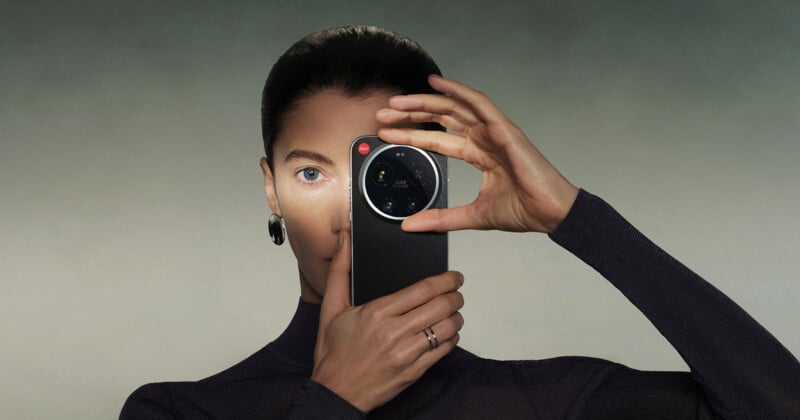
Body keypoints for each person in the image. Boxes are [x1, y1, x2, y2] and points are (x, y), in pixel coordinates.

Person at [120, 25, 800, 419]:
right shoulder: (177, 413)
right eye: (310, 173)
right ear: (270, 189)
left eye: (387, 173)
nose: (350, 214)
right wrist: (334, 400)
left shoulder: (542, 403)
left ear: (439, 172)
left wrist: (572, 215)